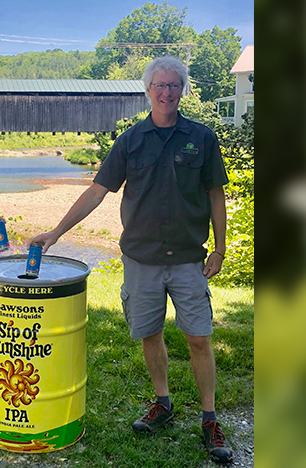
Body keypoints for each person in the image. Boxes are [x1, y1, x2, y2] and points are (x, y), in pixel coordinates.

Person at [29, 56, 233, 464]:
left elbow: (215, 195)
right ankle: (163, 403)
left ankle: (210, 418)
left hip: (189, 257)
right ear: (148, 90)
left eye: (174, 85)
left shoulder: (202, 137)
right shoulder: (131, 140)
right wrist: (55, 232)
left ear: (183, 90)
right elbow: (97, 191)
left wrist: (221, 248)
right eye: (160, 85)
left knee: (199, 337)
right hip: (141, 258)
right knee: (149, 333)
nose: (167, 92)